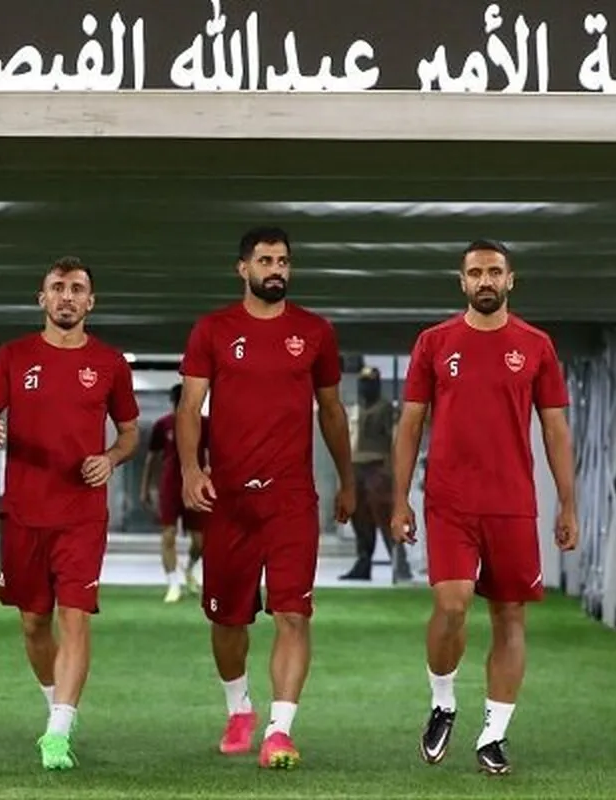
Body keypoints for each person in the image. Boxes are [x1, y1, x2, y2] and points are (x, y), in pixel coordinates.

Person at [390, 239, 579, 776]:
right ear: (463, 282)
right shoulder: (434, 342)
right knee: (452, 606)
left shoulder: (536, 345)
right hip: (449, 500)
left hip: (512, 503)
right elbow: (410, 423)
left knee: (509, 615)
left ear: (510, 280)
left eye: (495, 271)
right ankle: (443, 702)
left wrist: (567, 504)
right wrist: (400, 499)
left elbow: (556, 428)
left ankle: (494, 734)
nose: (486, 281)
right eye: (476, 273)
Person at [177, 226, 356, 770]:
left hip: (291, 499)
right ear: (243, 269)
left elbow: (331, 411)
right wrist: (191, 469)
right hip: (228, 499)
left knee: (293, 614)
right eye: (265, 261)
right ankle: (239, 709)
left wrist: (347, 479)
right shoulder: (212, 329)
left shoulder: (315, 332)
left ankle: (280, 731)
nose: (275, 269)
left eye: (282, 261)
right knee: (227, 621)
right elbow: (190, 408)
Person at [0, 256, 140, 771]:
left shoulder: (109, 363)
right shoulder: (14, 356)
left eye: (77, 289)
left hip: (82, 514)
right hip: (24, 513)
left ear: (91, 301)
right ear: (42, 298)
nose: (67, 296)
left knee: (75, 616)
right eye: (58, 288)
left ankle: (59, 731)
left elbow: (129, 433)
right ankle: (55, 706)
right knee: (33, 623)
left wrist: (110, 458)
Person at [139, 383, 210, 603]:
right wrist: (145, 488)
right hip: (170, 486)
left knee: (200, 541)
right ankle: (173, 585)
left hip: (196, 486)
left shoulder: (205, 425)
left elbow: (212, 455)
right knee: (168, 534)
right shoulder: (163, 425)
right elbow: (151, 459)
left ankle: (190, 568)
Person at [339, 366, 411, 582]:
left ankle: (399, 564)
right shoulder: (356, 408)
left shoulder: (386, 409)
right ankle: (363, 562)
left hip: (378, 467)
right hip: (357, 467)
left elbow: (395, 440)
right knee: (360, 519)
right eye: (363, 382)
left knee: (385, 517)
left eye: (369, 383)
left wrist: (393, 470)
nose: (365, 387)